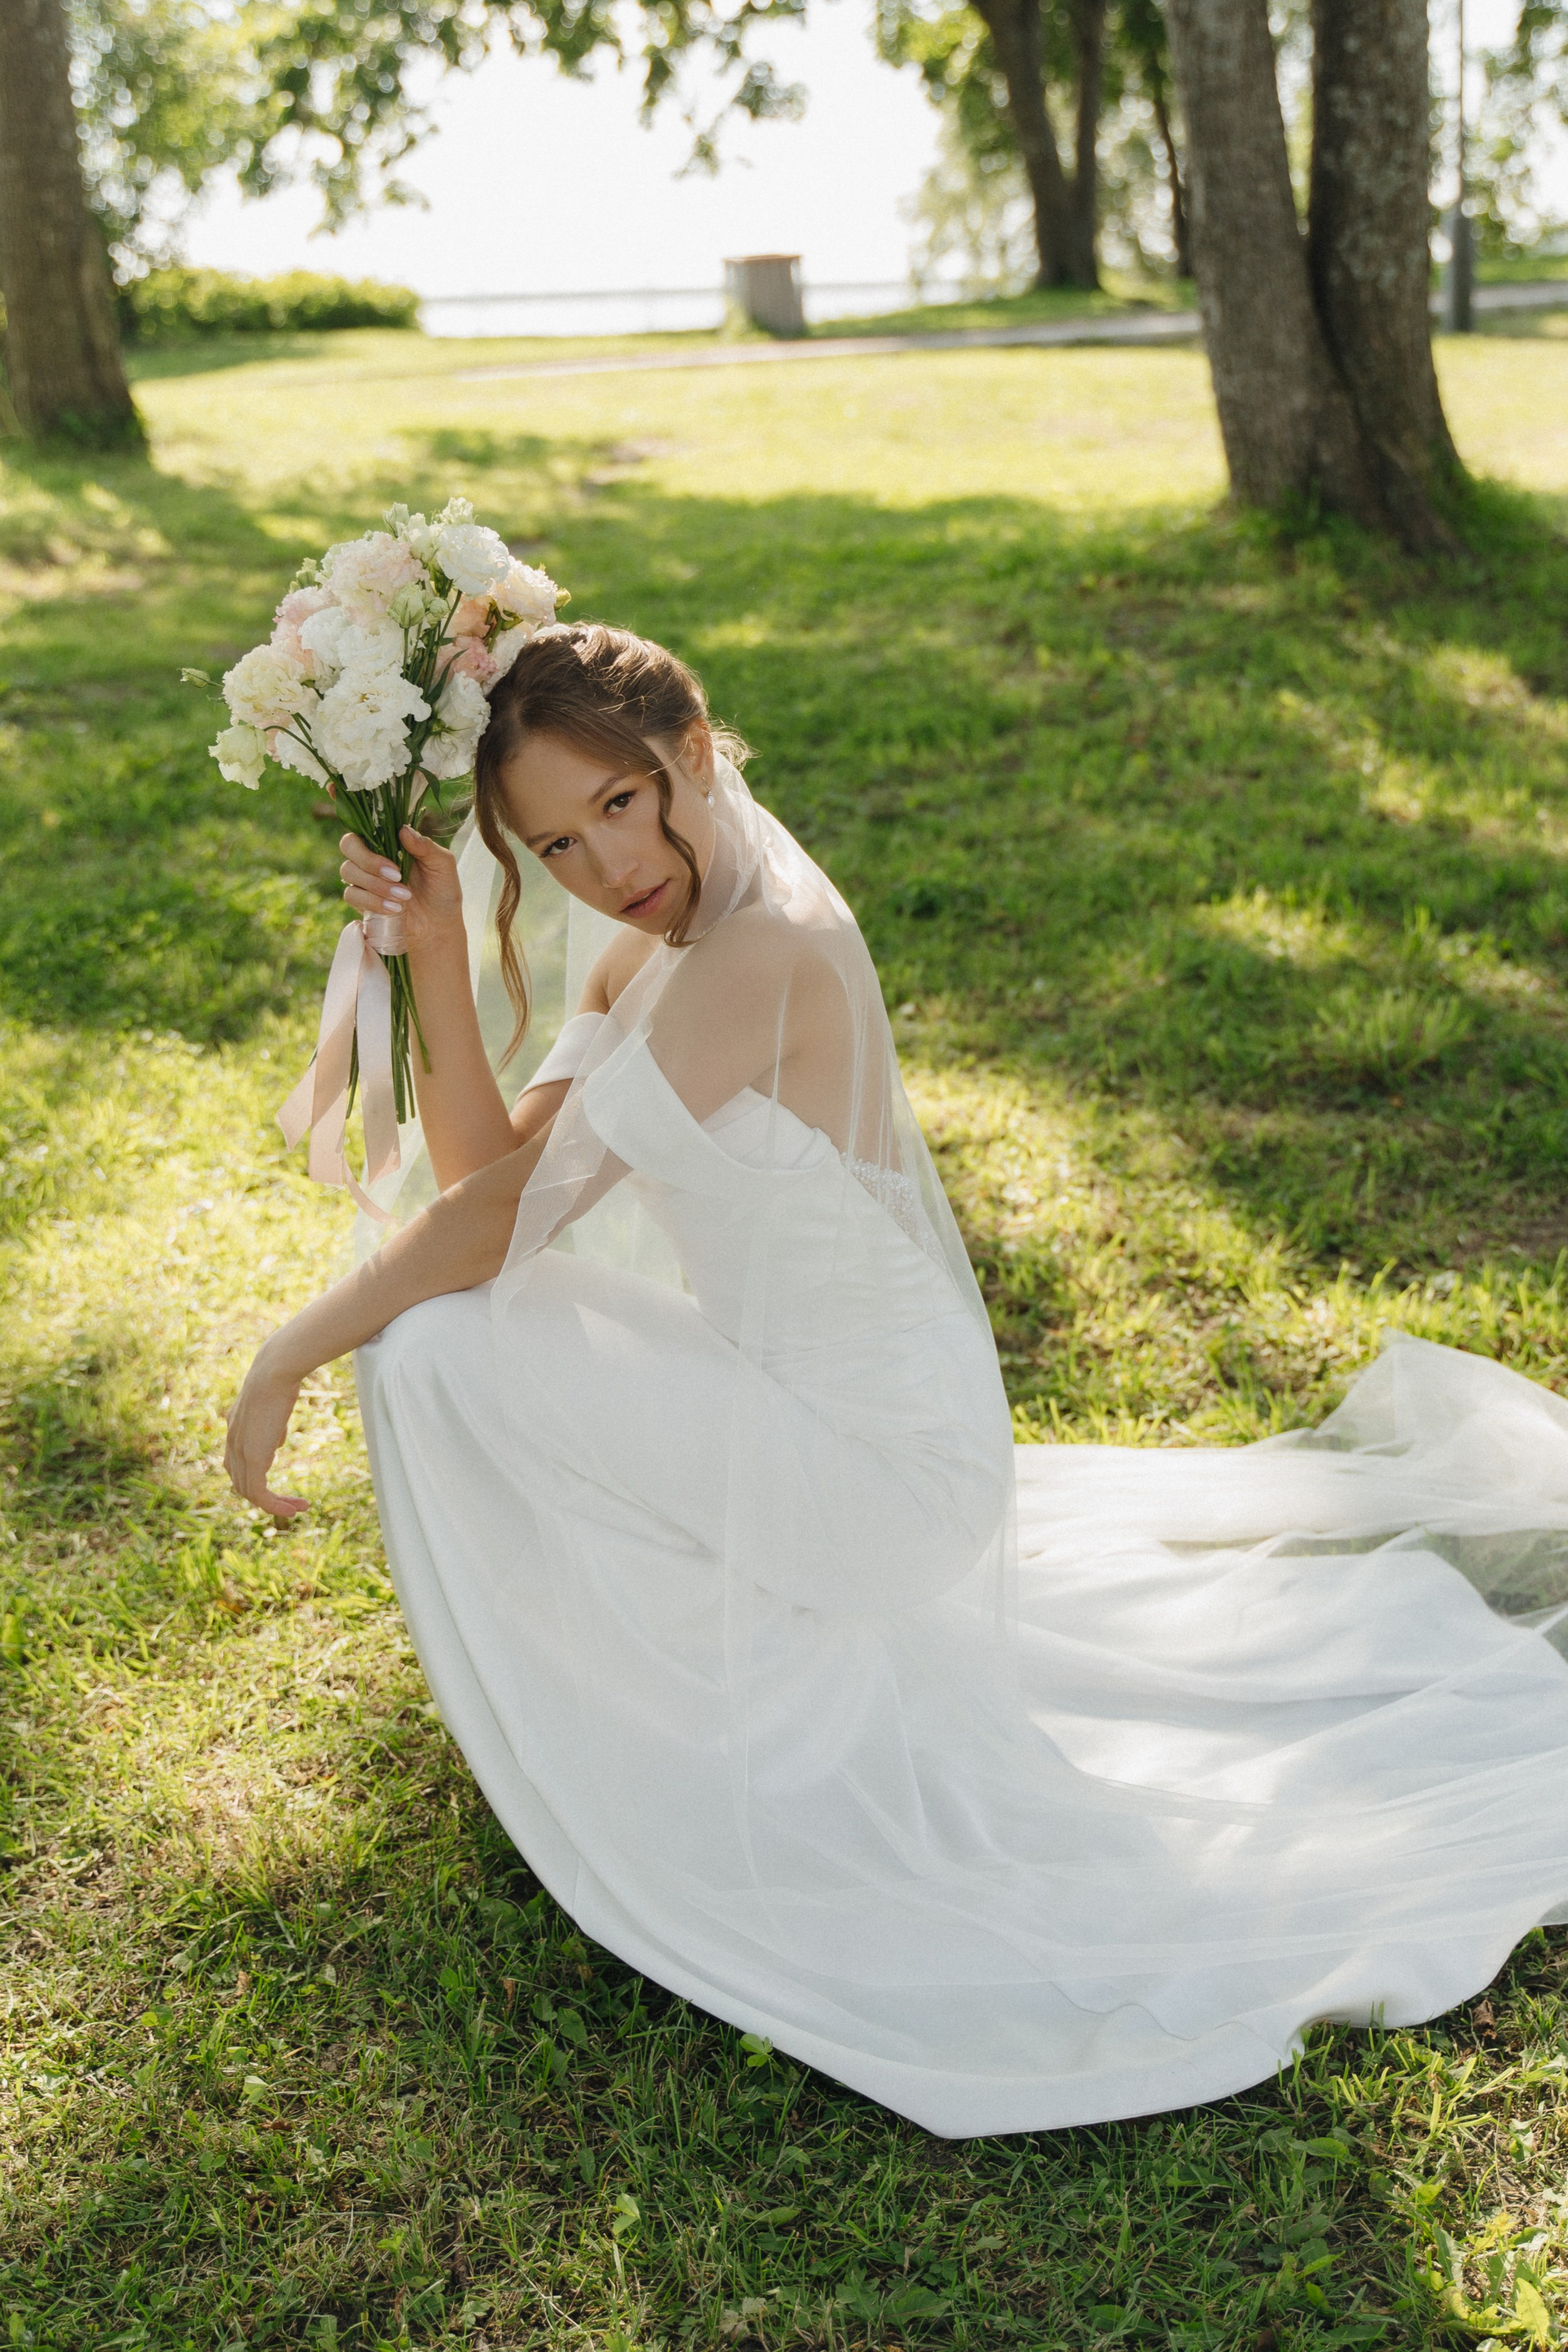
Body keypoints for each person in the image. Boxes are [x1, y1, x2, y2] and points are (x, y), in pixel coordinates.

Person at [226, 622, 1568, 2139]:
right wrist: (435, 954)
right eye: (551, 841)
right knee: (436, 1332)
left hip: (882, 1463)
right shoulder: (639, 943)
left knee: (429, 1335)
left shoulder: (766, 951)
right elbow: (495, 1181)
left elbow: (487, 1226)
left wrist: (292, 1345)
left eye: (618, 801)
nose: (602, 866)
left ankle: (652, 1742)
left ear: (692, 744)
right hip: (782, 1403)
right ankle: (637, 1719)